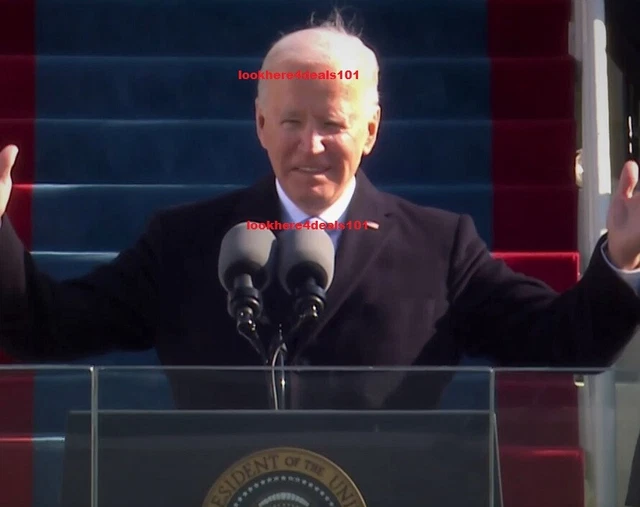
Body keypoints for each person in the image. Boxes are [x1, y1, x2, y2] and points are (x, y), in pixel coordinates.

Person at [1, 13, 640, 410]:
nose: (310, 146)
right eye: (291, 122)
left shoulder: (439, 247)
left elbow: (561, 345)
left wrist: (621, 261)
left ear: (371, 129)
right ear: (259, 124)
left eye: (332, 125)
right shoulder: (184, 243)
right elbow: (46, 328)